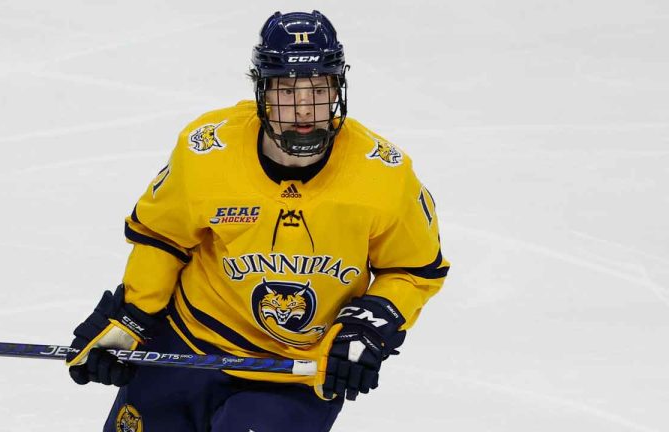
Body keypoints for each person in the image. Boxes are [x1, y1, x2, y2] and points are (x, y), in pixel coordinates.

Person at [66, 10, 450, 432]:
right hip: (188, 347)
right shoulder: (208, 152)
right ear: (261, 91)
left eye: (318, 88)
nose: (304, 109)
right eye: (286, 89)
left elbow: (413, 270)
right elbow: (163, 236)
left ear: (338, 88)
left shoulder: (383, 174)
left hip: (293, 372)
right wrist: (132, 317)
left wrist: (366, 326)